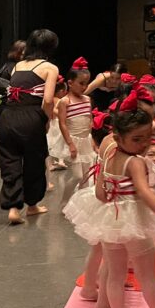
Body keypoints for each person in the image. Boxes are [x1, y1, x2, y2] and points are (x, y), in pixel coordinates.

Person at [63, 101, 155, 308]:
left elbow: (100, 193)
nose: (144, 144)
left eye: (147, 138)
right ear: (119, 138)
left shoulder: (109, 154)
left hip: (111, 223)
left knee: (115, 275)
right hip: (134, 222)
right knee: (147, 276)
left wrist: (114, 197)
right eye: (137, 139)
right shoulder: (135, 162)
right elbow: (144, 191)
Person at [0, 29, 59, 225]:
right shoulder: (50, 68)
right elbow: (47, 100)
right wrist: (47, 119)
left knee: (10, 161)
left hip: (7, 117)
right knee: (34, 162)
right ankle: (32, 205)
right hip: (31, 117)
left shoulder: (18, 65)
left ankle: (13, 208)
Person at [56, 58, 97, 204]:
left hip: (86, 140)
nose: (84, 87)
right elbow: (62, 123)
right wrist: (70, 143)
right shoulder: (65, 101)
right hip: (73, 140)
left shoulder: (87, 100)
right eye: (81, 83)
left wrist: (92, 140)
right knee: (77, 175)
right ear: (70, 83)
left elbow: (89, 121)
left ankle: (81, 204)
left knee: (86, 176)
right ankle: (64, 201)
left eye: (86, 83)